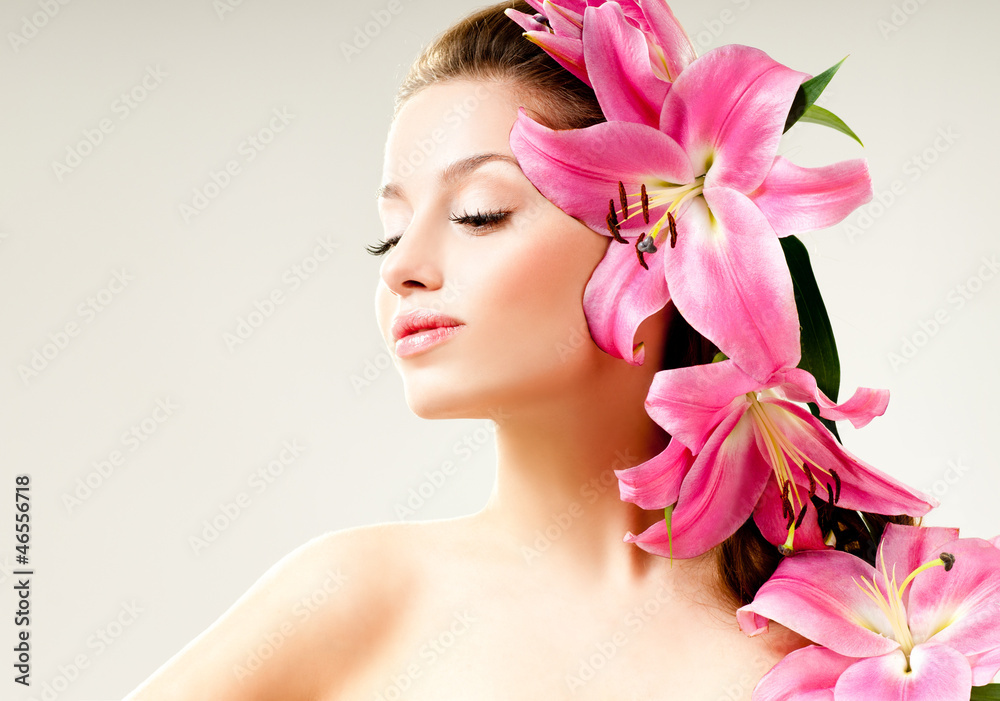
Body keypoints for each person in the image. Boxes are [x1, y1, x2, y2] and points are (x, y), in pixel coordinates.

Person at [124, 2, 922, 698]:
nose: (403, 266)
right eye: (390, 233)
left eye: (478, 213)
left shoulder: (863, 636)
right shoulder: (355, 596)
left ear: (658, 242)